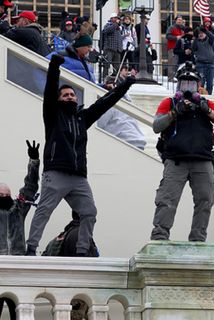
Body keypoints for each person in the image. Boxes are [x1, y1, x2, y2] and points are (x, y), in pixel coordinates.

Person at [25, 54, 135, 256]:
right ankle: (31, 248)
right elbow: (49, 91)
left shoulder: (82, 118)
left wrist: (125, 86)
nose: (69, 97)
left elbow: (105, 103)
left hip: (78, 177)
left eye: (72, 95)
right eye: (65, 95)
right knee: (44, 210)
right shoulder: (52, 114)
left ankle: (82, 252)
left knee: (89, 212)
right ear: (59, 100)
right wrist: (54, 66)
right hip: (55, 173)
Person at [150, 62, 214, 242]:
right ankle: (160, 237)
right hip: (175, 159)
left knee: (205, 200)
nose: (188, 87)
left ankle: (198, 239)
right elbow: (156, 126)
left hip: (202, 159)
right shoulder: (169, 102)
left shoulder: (205, 103)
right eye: (184, 83)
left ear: (198, 85)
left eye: (191, 83)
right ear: (178, 85)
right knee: (167, 200)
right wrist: (174, 112)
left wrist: (207, 110)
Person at [0, 140, 39, 255]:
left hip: (18, 259)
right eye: (1, 195)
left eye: (6, 195)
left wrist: (34, 162)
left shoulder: (18, 209)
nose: (4, 197)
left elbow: (30, 187)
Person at [98, 66, 146, 150]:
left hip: (123, 141)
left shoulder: (110, 103)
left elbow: (99, 125)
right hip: (137, 139)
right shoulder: (128, 101)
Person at [192, 26, 214, 95]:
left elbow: (212, 37)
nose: (201, 34)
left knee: (210, 83)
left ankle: (209, 96)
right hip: (200, 65)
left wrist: (206, 30)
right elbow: (193, 48)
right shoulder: (196, 42)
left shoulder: (209, 40)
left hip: (210, 65)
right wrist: (196, 37)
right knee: (201, 83)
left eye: (202, 33)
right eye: (199, 33)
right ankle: (199, 97)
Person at [101, 12, 123, 79]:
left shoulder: (119, 27)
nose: (117, 19)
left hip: (117, 49)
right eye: (115, 18)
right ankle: (105, 78)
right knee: (106, 65)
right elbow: (107, 31)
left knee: (116, 67)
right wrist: (115, 24)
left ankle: (115, 79)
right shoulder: (107, 25)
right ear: (111, 18)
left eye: (117, 18)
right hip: (109, 49)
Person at [166, 15, 184, 81]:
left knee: (176, 64)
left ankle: (175, 77)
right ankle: (170, 78)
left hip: (178, 49)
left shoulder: (181, 29)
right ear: (175, 20)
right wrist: (176, 37)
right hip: (172, 48)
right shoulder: (171, 27)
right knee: (172, 64)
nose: (180, 21)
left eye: (181, 20)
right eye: (179, 19)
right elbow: (167, 36)